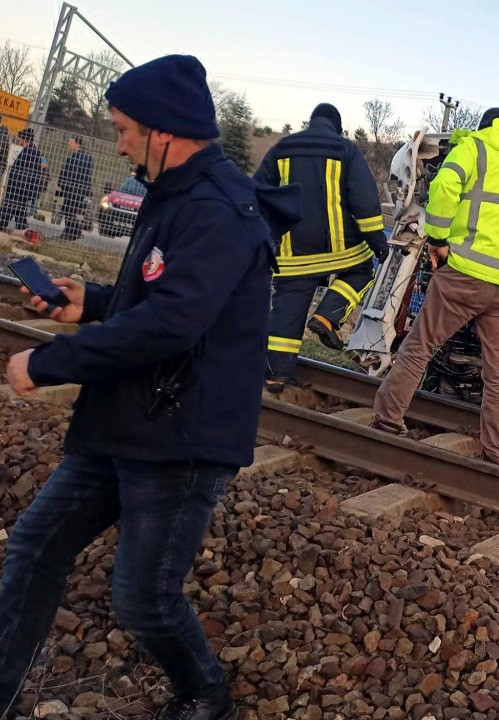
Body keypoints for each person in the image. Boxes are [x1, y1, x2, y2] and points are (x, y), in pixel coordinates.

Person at [0, 55, 298, 720]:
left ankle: (205, 693)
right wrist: (95, 303)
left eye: (126, 129)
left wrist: (49, 363)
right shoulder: (175, 191)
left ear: (165, 132)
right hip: (128, 416)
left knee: (143, 600)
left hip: (181, 436)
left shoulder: (219, 209)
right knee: (35, 546)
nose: (121, 141)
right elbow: (162, 295)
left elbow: (171, 324)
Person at [372, 108, 499, 466]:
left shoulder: (476, 148)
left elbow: (444, 186)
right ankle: (496, 452)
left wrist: (438, 238)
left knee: (420, 347)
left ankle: (387, 420)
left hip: (463, 275)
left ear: (485, 127)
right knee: (497, 372)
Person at [253, 103, 389, 392]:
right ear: (336, 126)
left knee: (287, 309)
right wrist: (377, 241)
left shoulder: (282, 147)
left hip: (293, 254)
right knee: (363, 270)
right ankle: (327, 316)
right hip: (340, 251)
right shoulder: (345, 150)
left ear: (311, 121)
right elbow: (363, 200)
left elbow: (258, 194)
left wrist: (264, 238)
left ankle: (276, 375)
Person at [0, 128, 49, 232]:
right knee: (18, 210)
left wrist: (15, 187)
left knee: (9, 207)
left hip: (19, 188)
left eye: (20, 138)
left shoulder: (30, 152)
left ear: (25, 139)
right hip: (21, 188)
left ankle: (3, 226)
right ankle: (23, 229)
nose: (19, 140)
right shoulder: (31, 150)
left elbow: (26, 173)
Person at [55, 135, 94, 240]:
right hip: (80, 189)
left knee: (69, 210)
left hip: (74, 189)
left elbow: (71, 173)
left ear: (77, 143)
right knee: (71, 210)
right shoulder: (86, 157)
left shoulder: (77, 158)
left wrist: (62, 184)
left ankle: (71, 232)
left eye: (71, 142)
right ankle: (73, 232)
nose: (69, 143)